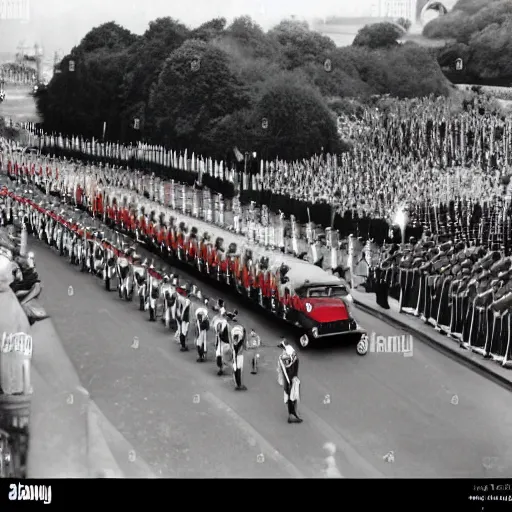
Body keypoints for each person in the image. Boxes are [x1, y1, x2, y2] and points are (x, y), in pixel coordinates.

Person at [278, 340, 302, 424]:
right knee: (291, 396)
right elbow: (286, 370)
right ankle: (292, 415)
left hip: (291, 378)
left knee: (291, 396)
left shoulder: (287, 355)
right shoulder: (287, 355)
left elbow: (288, 368)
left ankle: (293, 414)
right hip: (290, 378)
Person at [231, 325, 247, 391]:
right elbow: (244, 346)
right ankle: (239, 385)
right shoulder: (241, 338)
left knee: (236, 369)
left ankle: (237, 384)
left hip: (235, 354)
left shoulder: (235, 334)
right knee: (238, 369)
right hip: (238, 355)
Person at [195, 298, 210, 362]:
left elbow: (205, 327)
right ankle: (202, 355)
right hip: (201, 332)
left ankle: (202, 356)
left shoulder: (204, 319)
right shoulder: (200, 317)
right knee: (201, 344)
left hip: (202, 332)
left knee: (200, 344)